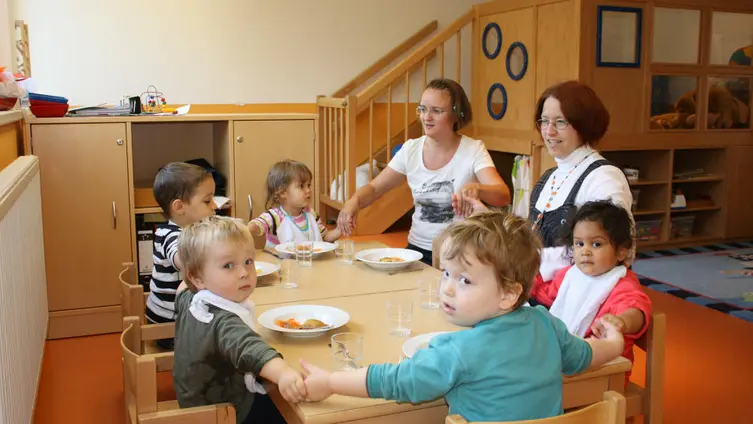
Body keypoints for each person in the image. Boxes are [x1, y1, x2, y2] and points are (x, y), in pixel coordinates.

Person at [300, 211, 625, 422]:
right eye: (446, 275)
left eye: (465, 280)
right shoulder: (546, 324)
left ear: (509, 293)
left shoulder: (457, 350)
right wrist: (612, 344)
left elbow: (396, 381)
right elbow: (583, 356)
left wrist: (330, 382)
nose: (448, 290)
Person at [336, 78, 510, 265]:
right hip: (416, 250)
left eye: (436, 111)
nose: (427, 117)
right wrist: (353, 202)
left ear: (456, 115)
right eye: (423, 109)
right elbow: (374, 189)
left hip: (459, 253)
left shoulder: (473, 150)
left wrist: (478, 189)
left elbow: (503, 195)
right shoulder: (411, 149)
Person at [172, 216, 306, 424]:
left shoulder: (191, 298)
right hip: (226, 412)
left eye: (248, 262)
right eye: (228, 266)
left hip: (192, 403)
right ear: (197, 278)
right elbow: (249, 349)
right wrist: (283, 373)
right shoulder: (222, 320)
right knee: (289, 412)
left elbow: (182, 288)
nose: (244, 273)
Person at [531, 200, 651, 383]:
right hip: (572, 362)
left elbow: (637, 310)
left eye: (596, 244)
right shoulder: (571, 275)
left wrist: (622, 321)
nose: (585, 251)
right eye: (579, 244)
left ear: (621, 251)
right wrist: (525, 284)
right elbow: (547, 293)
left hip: (605, 372)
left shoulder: (621, 284)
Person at [530, 80, 633, 281]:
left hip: (580, 296)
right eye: (544, 121)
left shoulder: (604, 177)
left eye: (560, 122)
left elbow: (611, 251)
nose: (549, 131)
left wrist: (526, 260)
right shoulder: (549, 176)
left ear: (584, 125)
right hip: (539, 290)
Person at [144, 162, 217, 349]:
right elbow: (181, 259)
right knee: (224, 338)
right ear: (179, 207)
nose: (215, 206)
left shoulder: (190, 229)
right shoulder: (170, 234)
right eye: (207, 201)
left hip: (173, 315)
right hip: (170, 323)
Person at [249, 159, 341, 249]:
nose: (308, 190)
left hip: (307, 263)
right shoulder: (275, 216)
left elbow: (324, 237)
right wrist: (250, 228)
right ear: (283, 192)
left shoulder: (311, 214)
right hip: (280, 263)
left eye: (309, 185)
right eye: (301, 186)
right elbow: (257, 225)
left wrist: (340, 230)